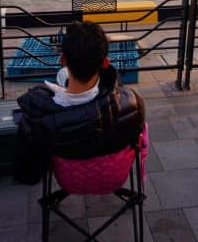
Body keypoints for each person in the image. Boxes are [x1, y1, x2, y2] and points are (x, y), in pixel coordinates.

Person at [13, 21, 146, 185]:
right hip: (114, 177)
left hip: (69, 180)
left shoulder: (38, 113)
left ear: (63, 60)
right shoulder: (132, 105)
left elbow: (27, 175)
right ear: (105, 63)